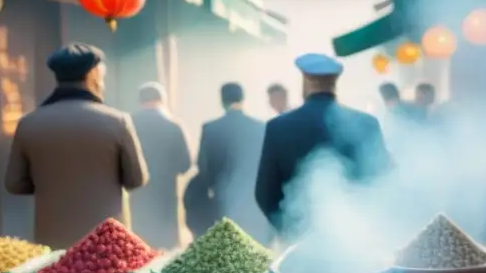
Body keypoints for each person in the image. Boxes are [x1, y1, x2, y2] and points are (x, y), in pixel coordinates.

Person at [5, 43, 148, 248]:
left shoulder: (28, 124)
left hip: (52, 241)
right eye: (101, 75)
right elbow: (136, 179)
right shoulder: (117, 121)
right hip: (108, 244)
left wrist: (49, 182)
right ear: (92, 75)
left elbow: (14, 184)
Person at [255, 54, 390, 238]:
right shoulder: (366, 123)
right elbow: (384, 181)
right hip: (356, 241)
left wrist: (288, 230)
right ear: (335, 82)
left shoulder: (278, 126)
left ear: (306, 80)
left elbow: (264, 192)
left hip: (300, 239)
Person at [184, 83, 273, 245]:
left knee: (228, 250)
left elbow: (202, 166)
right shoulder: (260, 127)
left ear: (222, 100)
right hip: (253, 202)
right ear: (243, 99)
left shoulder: (210, 128)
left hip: (222, 201)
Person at [129, 82, 192, 250]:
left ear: (140, 101)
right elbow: (186, 164)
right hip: (166, 195)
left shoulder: (129, 124)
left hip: (138, 194)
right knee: (165, 250)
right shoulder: (173, 125)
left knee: (139, 249)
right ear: (162, 100)